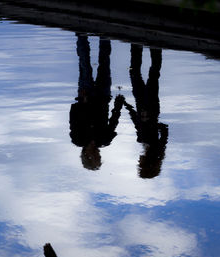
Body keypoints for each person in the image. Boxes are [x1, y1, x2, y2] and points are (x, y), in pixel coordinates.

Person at [69, 34, 124, 170]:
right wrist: (118, 104)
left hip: (85, 96)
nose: (99, 155)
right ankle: (105, 35)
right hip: (103, 97)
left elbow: (73, 117)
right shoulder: (105, 140)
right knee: (104, 63)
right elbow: (113, 121)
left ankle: (81, 35)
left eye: (97, 158)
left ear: (88, 156)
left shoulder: (78, 139)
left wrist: (82, 102)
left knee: (85, 64)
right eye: (99, 158)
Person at [124, 44, 168, 178]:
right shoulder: (153, 145)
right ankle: (152, 48)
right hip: (150, 105)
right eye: (140, 164)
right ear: (145, 163)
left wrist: (127, 106)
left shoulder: (150, 145)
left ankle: (144, 47)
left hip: (142, 104)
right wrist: (151, 120)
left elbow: (137, 122)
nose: (138, 161)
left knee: (140, 73)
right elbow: (164, 129)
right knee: (149, 74)